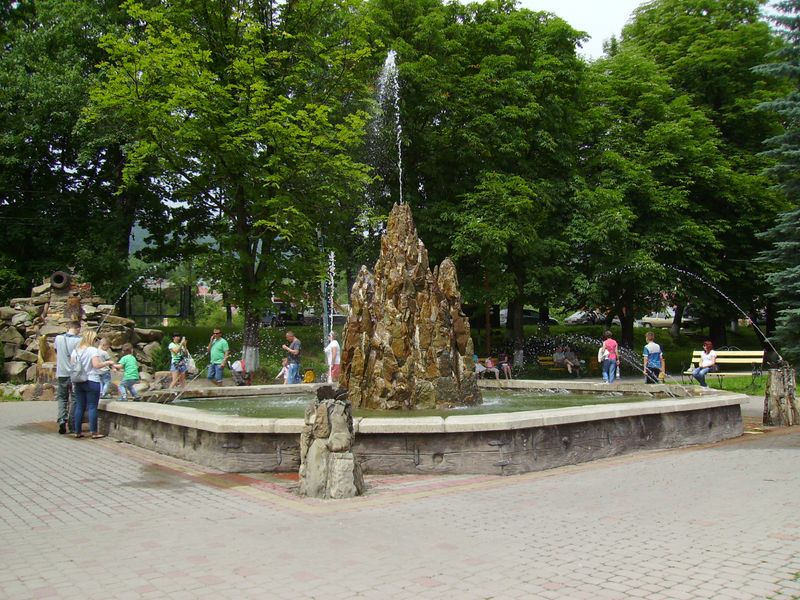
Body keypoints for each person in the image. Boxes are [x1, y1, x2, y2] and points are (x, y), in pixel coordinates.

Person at [71, 330, 115, 439]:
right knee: (92, 407)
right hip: (92, 380)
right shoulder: (92, 350)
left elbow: (72, 365)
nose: (96, 342)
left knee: (79, 407)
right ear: (91, 339)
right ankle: (94, 432)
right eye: (95, 339)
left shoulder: (75, 351)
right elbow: (96, 365)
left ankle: (77, 431)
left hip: (78, 381)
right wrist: (108, 362)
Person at [54, 321, 81, 434]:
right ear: (78, 328)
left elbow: (56, 351)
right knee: (75, 399)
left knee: (62, 398)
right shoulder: (80, 340)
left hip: (62, 373)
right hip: (74, 374)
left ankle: (61, 419)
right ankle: (72, 424)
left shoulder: (58, 338)